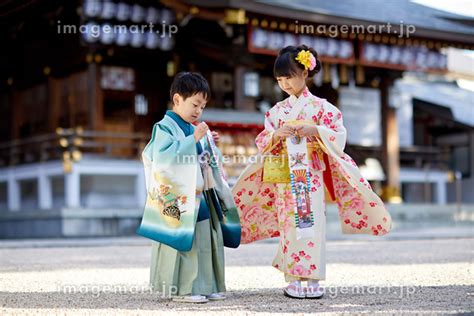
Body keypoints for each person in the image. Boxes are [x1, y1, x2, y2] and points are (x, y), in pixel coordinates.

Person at [232, 45, 392, 299]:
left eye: (290, 77)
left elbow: (338, 137)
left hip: (310, 176)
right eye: (280, 79)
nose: (285, 83)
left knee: (311, 224)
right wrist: (276, 134)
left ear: (305, 73)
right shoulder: (276, 112)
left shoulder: (323, 109)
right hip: (286, 176)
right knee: (290, 224)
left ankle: (313, 278)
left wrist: (315, 130)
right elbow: (263, 140)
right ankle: (294, 278)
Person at [137, 72, 241, 303]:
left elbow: (205, 159)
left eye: (202, 107)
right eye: (195, 104)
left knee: (206, 238)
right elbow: (163, 159)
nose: (198, 111)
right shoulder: (163, 128)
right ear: (177, 100)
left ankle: (206, 285)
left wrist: (208, 143)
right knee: (186, 241)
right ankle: (182, 290)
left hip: (199, 193)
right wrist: (193, 138)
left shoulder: (191, 128)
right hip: (178, 199)